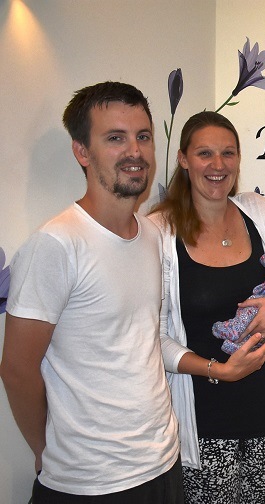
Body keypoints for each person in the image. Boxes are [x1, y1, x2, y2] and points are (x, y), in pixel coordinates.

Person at [0, 81, 184, 502]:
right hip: (90, 483)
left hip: (162, 463)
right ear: (82, 152)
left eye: (143, 136)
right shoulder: (57, 244)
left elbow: (144, 339)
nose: (134, 151)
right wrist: (45, 451)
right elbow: (16, 369)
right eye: (115, 138)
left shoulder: (153, 234)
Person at [149, 110, 265, 503]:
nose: (218, 165)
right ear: (183, 159)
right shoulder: (157, 231)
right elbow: (152, 337)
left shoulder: (257, 211)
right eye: (205, 154)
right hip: (203, 416)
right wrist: (222, 371)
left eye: (228, 153)